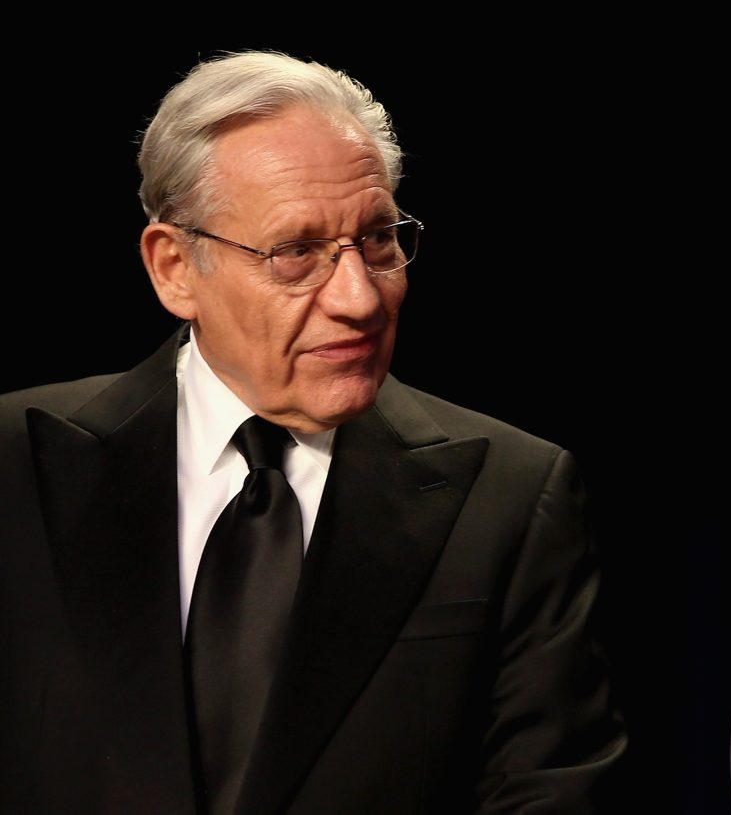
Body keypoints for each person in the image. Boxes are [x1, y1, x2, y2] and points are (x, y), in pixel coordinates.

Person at [0, 51, 624, 814]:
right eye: (296, 253)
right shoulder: (14, 464)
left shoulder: (514, 497)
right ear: (175, 268)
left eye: (379, 239)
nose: (360, 298)